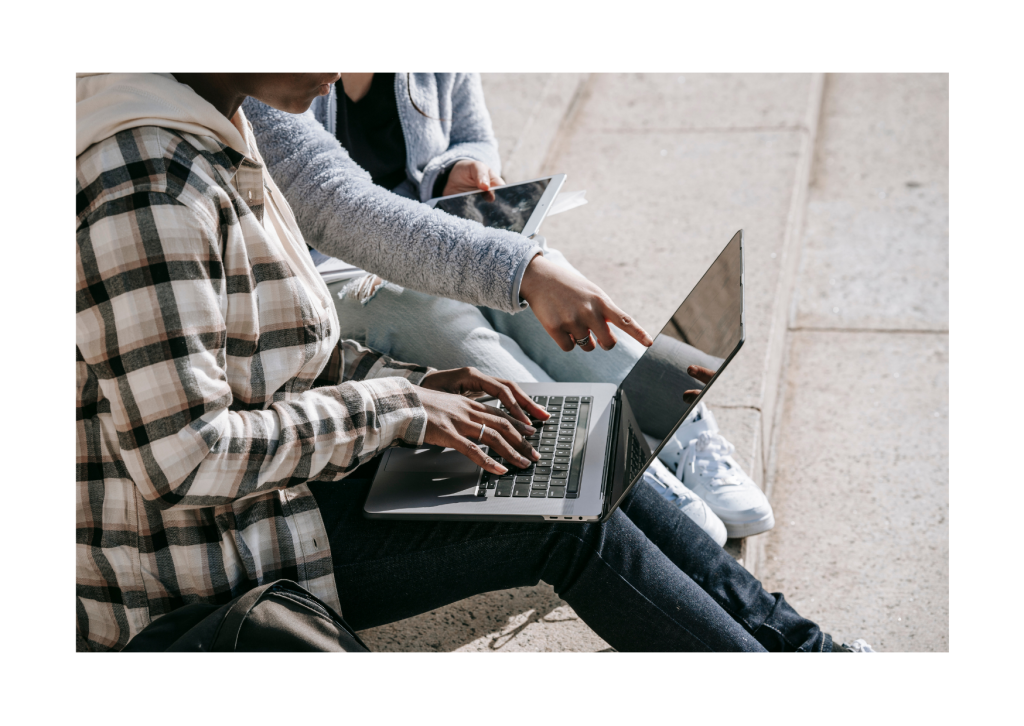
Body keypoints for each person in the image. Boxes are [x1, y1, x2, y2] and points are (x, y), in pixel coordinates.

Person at [76, 71, 870, 654]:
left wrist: (416, 387)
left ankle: (805, 648)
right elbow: (185, 458)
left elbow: (272, 357)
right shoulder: (151, 186)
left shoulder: (219, 121)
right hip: (215, 550)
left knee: (581, 446)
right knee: (569, 523)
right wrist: (402, 407)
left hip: (292, 488)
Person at [245, 73, 773, 542]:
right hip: (317, 270)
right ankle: (605, 461)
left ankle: (677, 428)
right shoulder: (269, 81)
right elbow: (330, 202)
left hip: (426, 224)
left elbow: (472, 134)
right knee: (440, 310)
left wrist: (457, 170)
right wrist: (521, 268)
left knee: (539, 288)